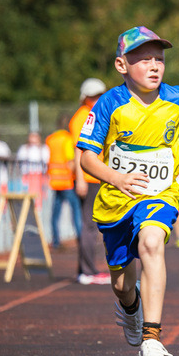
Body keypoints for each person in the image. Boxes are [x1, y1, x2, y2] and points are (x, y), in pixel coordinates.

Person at [77, 26, 179, 356]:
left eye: (159, 59)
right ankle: (131, 310)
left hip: (160, 192)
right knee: (121, 285)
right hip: (116, 200)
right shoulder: (109, 104)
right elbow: (87, 157)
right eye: (143, 59)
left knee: (151, 242)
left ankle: (152, 337)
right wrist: (116, 177)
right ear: (121, 65)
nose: (153, 66)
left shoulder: (177, 98)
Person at [71, 78, 110, 284]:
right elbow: (79, 150)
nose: (97, 99)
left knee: (90, 225)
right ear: (84, 98)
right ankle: (87, 272)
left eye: (100, 94)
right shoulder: (82, 117)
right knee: (89, 226)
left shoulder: (92, 114)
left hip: (94, 176)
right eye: (93, 96)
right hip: (88, 177)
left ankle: (85, 270)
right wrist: (80, 179)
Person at [45, 114, 81, 248]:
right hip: (67, 181)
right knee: (76, 210)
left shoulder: (50, 139)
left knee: (55, 212)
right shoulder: (67, 139)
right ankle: (80, 237)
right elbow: (70, 160)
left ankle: (55, 240)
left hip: (54, 180)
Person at [16, 130, 49, 208]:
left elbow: (46, 160)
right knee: (26, 197)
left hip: (39, 176)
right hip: (27, 176)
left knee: (39, 198)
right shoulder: (24, 148)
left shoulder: (43, 148)